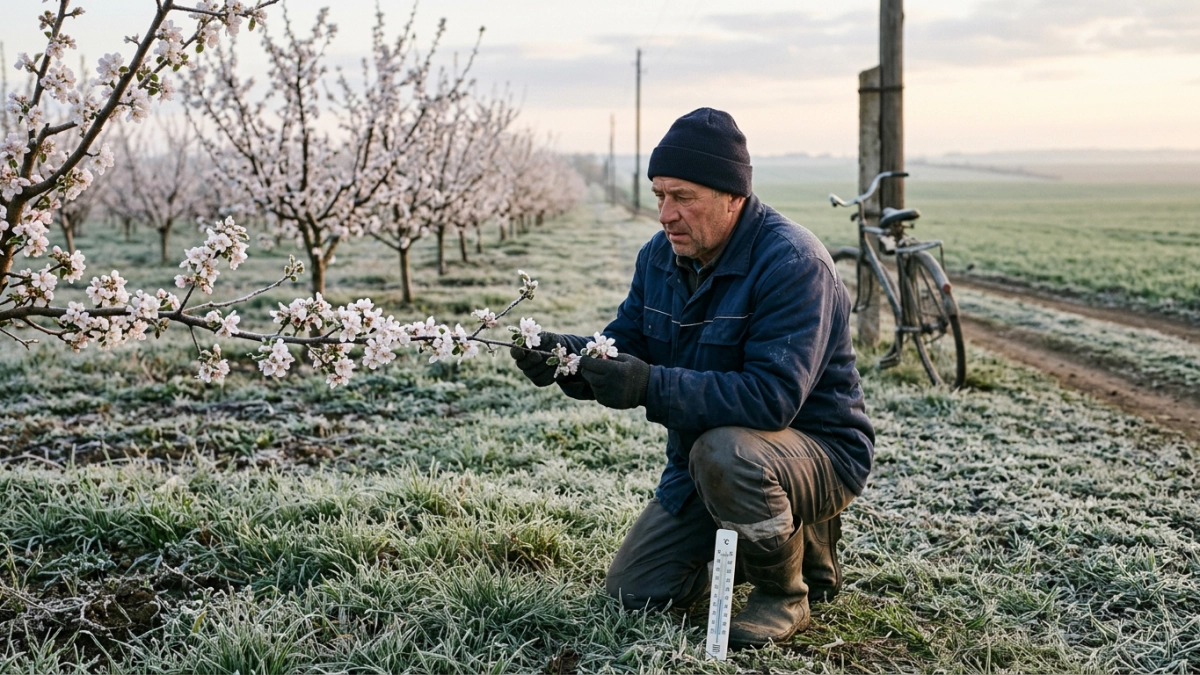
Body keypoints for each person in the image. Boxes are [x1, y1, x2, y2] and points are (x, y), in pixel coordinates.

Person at [510, 107, 874, 649]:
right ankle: (761, 533)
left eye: (683, 197)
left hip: (818, 452)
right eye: (659, 196)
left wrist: (649, 386)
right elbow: (625, 345)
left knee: (728, 454)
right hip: (702, 464)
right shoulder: (659, 259)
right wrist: (566, 358)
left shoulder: (794, 264)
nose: (666, 214)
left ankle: (783, 592)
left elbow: (772, 400)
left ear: (733, 196)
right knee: (634, 594)